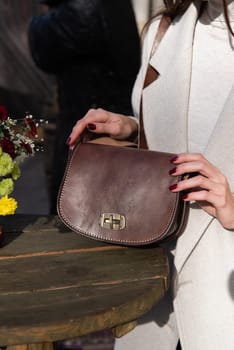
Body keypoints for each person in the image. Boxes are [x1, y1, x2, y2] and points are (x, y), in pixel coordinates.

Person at [67, 0, 234, 348]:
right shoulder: (164, 31)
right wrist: (129, 128)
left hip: (222, 285)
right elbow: (181, 134)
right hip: (151, 272)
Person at [28, 0, 141, 213]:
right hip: (97, 122)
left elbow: (42, 48)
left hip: (89, 130)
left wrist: (36, 23)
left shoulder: (84, 9)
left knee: (76, 215)